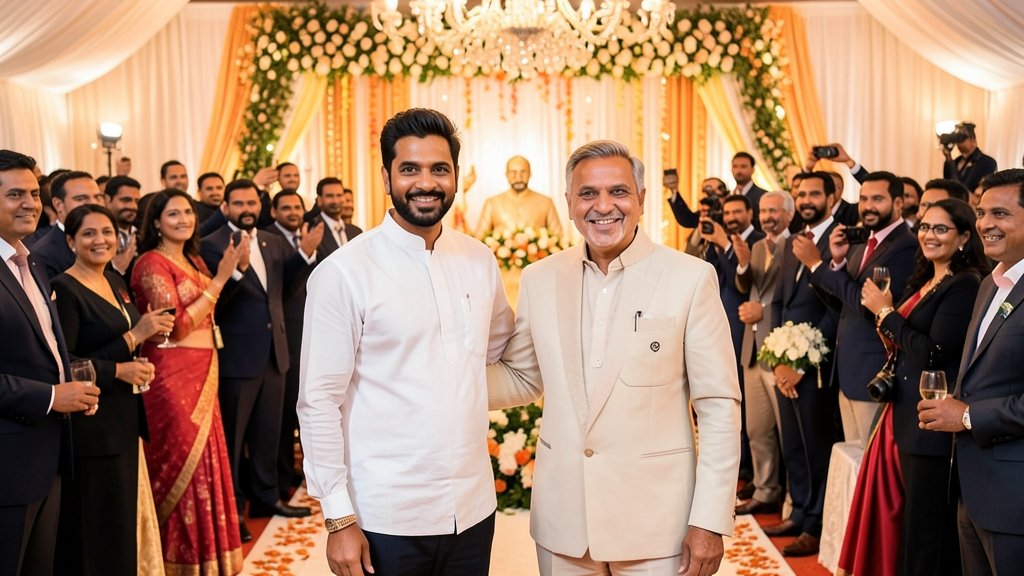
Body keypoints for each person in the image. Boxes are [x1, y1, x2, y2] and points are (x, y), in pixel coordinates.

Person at [487, 140, 741, 576]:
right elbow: (524, 378)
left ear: (641, 199)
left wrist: (709, 519)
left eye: (619, 192)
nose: (603, 206)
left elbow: (718, 405)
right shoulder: (539, 278)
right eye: (588, 194)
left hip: (659, 526)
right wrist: (439, 379)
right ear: (568, 203)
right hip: (564, 522)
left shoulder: (690, 278)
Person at [298, 108, 514, 576]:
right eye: (410, 169)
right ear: (386, 175)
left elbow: (496, 349)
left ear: (456, 175)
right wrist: (338, 518)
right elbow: (318, 402)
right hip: (385, 514)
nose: (426, 182)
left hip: (473, 507)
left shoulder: (479, 260)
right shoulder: (343, 273)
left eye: (439, 169)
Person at [842, 198, 985, 576]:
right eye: (924, 226)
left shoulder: (964, 285)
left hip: (933, 424)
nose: (929, 235)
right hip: (906, 415)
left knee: (928, 532)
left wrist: (886, 313)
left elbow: (934, 352)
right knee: (913, 525)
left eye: (941, 229)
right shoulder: (928, 279)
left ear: (965, 237)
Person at [51, 204, 173, 576]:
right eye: (88, 233)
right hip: (92, 423)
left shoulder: (115, 281)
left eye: (106, 232)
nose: (100, 240)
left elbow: (128, 340)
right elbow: (67, 361)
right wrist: (122, 361)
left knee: (120, 520)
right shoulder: (64, 288)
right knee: (95, 528)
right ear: (71, 241)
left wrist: (140, 353)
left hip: (124, 418)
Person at [130, 189, 244, 574]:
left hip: (204, 371)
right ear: (156, 222)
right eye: (173, 213)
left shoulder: (192, 259)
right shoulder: (150, 264)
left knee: (207, 461)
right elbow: (176, 326)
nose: (183, 218)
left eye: (187, 212)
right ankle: (176, 560)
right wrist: (221, 278)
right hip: (170, 377)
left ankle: (208, 558)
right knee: (180, 462)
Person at [918, 169, 1024, 574]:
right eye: (981, 213)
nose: (985, 224)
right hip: (971, 489)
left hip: (1015, 500)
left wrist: (965, 416)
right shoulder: (989, 285)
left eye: (1000, 213)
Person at [0, 150, 100, 576]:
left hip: (49, 454)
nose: (30, 203)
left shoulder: (33, 262)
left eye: (34, 193)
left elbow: (49, 348)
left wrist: (75, 388)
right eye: (14, 194)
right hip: (7, 464)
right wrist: (51, 396)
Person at [201, 180, 317, 539]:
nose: (247, 208)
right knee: (235, 442)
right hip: (237, 357)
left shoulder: (273, 240)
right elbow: (216, 303)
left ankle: (266, 498)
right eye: (239, 203)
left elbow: (287, 291)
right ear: (227, 206)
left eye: (252, 202)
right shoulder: (212, 244)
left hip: (275, 353)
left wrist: (306, 256)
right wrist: (236, 270)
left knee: (270, 434)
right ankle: (233, 510)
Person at [804, 171, 918, 448]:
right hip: (850, 370)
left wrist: (817, 266)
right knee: (852, 461)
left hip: (874, 369)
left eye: (877, 199)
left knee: (869, 464)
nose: (867, 206)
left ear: (899, 203)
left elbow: (870, 308)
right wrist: (838, 263)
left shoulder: (906, 245)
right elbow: (844, 304)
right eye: (864, 198)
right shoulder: (861, 242)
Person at [765, 171, 841, 557]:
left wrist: (803, 359)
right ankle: (799, 512)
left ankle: (816, 523)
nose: (807, 199)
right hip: (785, 360)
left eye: (815, 193)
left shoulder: (839, 238)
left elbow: (835, 307)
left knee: (816, 447)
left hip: (817, 365)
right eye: (802, 193)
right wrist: (779, 357)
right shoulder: (791, 242)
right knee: (792, 444)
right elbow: (780, 302)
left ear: (832, 195)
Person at [262, 190, 326, 501]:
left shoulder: (309, 233)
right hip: (284, 338)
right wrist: (305, 252)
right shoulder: (269, 238)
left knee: (311, 407)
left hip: (312, 334)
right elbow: (285, 288)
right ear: (273, 211)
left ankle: (302, 470)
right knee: (286, 414)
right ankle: (284, 476)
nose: (292, 212)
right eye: (285, 207)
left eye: (296, 207)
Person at [734, 190, 795, 516]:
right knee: (757, 429)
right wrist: (744, 264)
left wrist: (763, 311)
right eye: (764, 211)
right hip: (752, 350)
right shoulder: (756, 246)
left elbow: (794, 298)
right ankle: (765, 489)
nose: (768, 216)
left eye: (774, 210)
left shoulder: (797, 246)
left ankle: (791, 497)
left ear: (788, 213)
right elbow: (747, 286)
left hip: (782, 350)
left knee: (788, 434)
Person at [31, 170, 106, 279]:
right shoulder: (43, 256)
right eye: (81, 198)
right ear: (58, 205)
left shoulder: (106, 243)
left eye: (97, 197)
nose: (93, 203)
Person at [475, 155, 563, 239]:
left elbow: (558, 239)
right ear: (506, 174)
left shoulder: (546, 202)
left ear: (530, 174)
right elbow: (480, 240)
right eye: (513, 172)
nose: (518, 176)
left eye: (523, 171)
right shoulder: (492, 203)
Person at [306, 177, 362, 257]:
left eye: (339, 195)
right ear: (319, 200)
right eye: (329, 196)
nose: (335, 201)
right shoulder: (311, 230)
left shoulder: (356, 232)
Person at [941, 122, 997, 193]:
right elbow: (947, 183)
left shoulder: (988, 162)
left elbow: (963, 190)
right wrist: (948, 157)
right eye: (957, 137)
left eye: (962, 137)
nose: (959, 141)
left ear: (972, 140)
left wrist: (950, 160)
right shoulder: (955, 161)